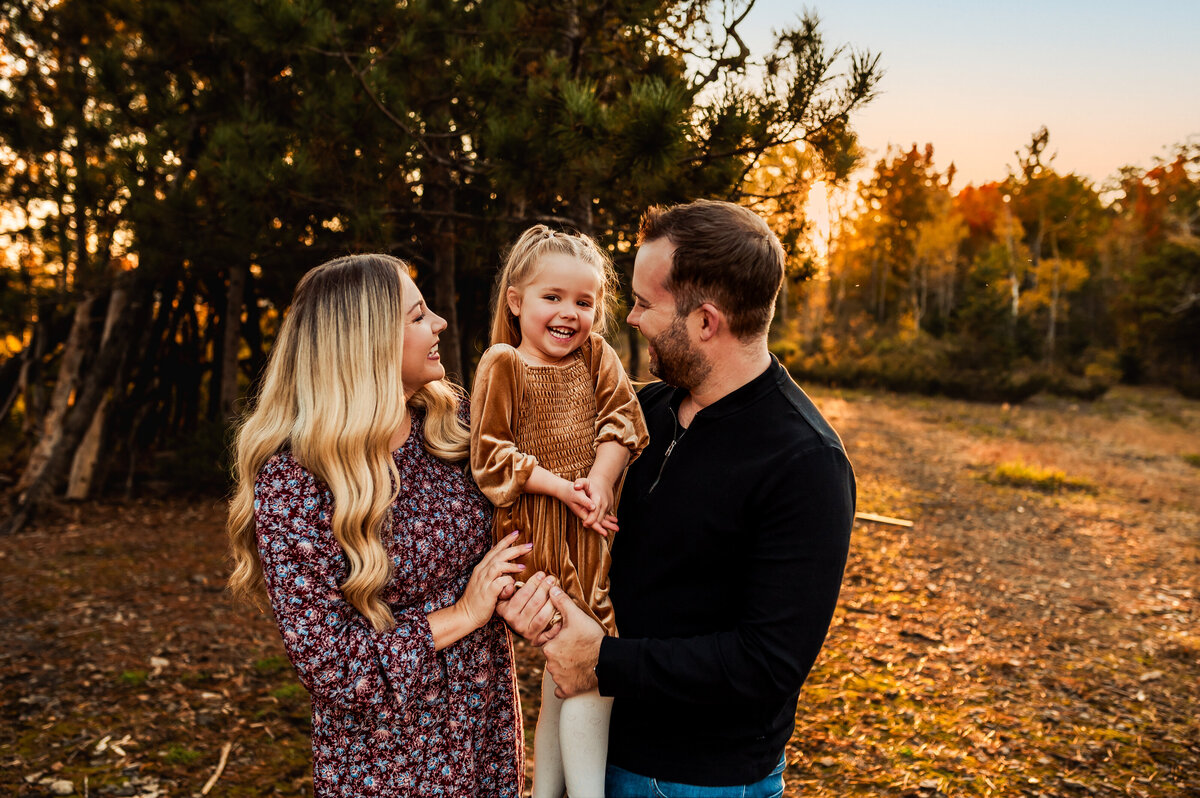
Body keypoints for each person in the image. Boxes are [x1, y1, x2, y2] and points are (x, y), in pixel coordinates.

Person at [502, 199, 857, 796]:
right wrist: (532, 593)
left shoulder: (805, 463)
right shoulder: (645, 413)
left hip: (699, 781)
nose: (632, 318)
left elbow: (767, 663)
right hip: (594, 751)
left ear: (705, 322)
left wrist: (603, 662)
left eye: (645, 302)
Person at [227, 254, 528, 798]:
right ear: (365, 344)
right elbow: (335, 671)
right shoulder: (295, 482)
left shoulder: (452, 428)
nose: (438, 322)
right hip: (387, 762)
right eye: (417, 316)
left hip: (486, 736)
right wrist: (462, 613)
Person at [470, 226, 649, 798]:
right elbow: (490, 458)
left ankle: (546, 792)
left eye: (584, 301)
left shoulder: (597, 354)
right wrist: (561, 488)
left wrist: (596, 482)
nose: (569, 313)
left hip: (587, 528)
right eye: (553, 297)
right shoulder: (503, 364)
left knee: (563, 668)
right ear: (516, 300)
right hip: (535, 533)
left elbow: (623, 422)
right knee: (591, 668)